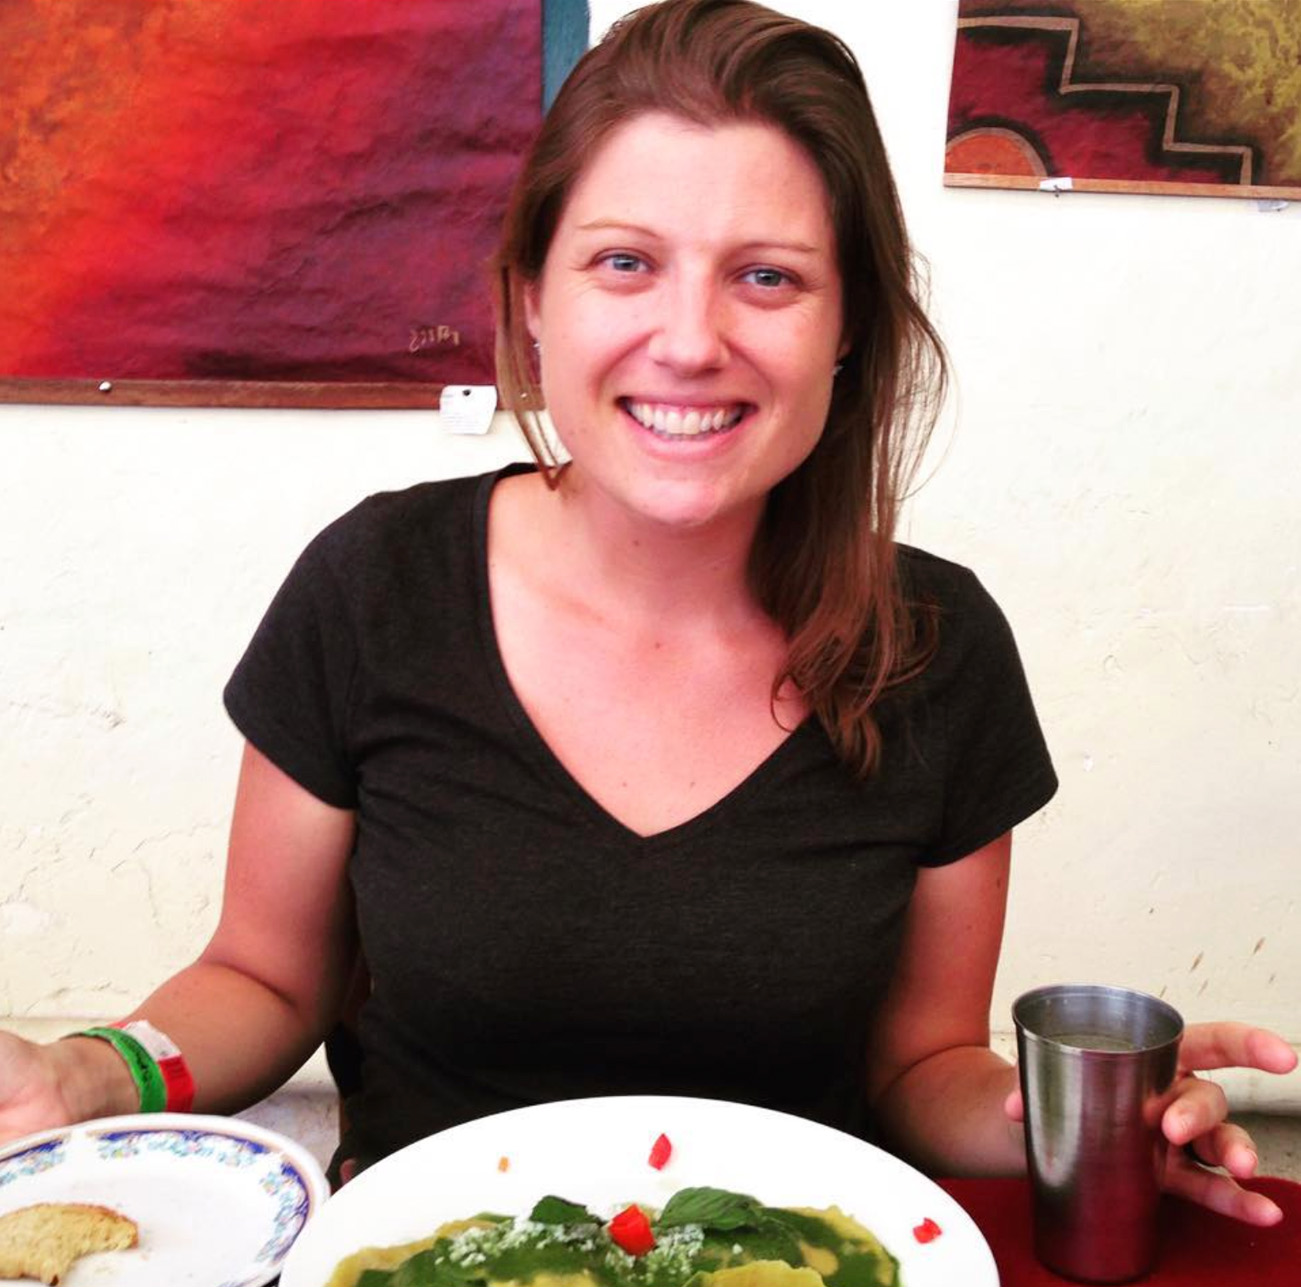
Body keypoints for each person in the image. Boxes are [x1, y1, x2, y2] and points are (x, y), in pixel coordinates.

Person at [0, 0, 1293, 1224]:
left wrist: (1076, 1126)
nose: (687, 339)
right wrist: (91, 1076)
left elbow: (921, 1071)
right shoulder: (372, 586)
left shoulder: (935, 649)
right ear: (530, 296)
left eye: (768, 278)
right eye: (624, 262)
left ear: (847, 327)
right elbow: (265, 980)